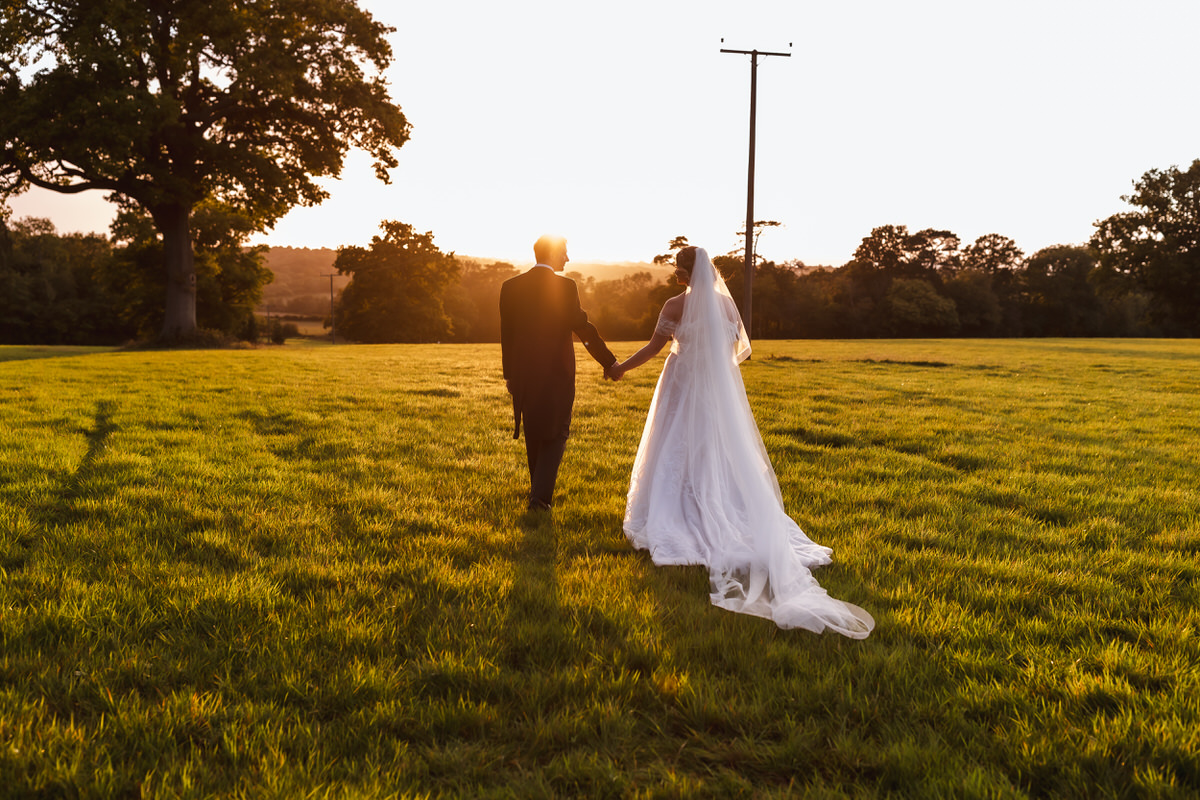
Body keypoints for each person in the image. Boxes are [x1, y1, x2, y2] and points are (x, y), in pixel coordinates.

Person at [608, 246, 874, 637]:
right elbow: (735, 353)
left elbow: (652, 348)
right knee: (716, 451)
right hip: (718, 392)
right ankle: (715, 503)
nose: (677, 275)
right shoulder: (727, 308)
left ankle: (682, 512)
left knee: (675, 447)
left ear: (686, 271)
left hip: (682, 384)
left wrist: (619, 369)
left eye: (679, 269)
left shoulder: (676, 304)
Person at [500, 235, 618, 512]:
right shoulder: (565, 287)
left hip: (524, 374)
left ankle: (537, 493)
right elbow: (583, 327)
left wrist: (510, 375)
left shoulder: (510, 286)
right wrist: (609, 362)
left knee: (535, 431)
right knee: (556, 433)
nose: (567, 258)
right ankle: (539, 501)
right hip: (557, 374)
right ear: (552, 255)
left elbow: (507, 335)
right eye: (564, 253)